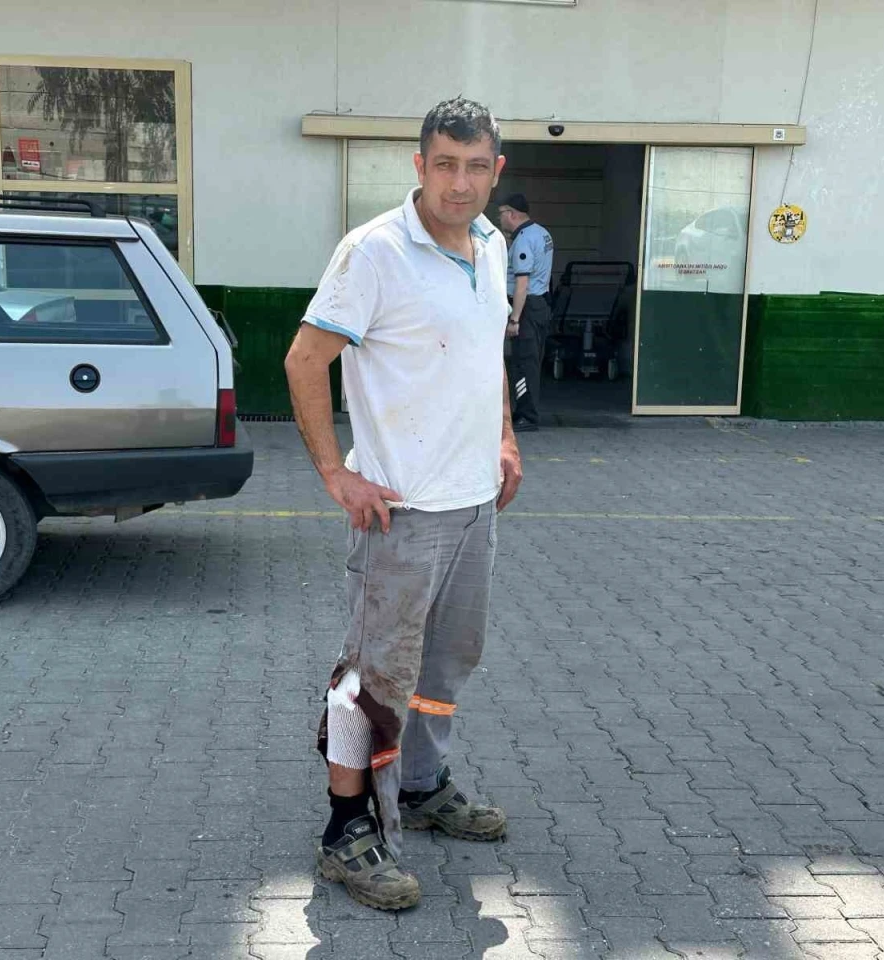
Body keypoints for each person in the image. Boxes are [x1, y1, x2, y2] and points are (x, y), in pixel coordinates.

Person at [284, 97, 523, 912]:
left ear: (496, 170)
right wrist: (335, 473)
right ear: (419, 165)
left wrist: (505, 437)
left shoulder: (491, 246)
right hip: (401, 513)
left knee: (445, 665)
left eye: (477, 166)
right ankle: (345, 830)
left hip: (474, 506)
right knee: (370, 677)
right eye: (445, 164)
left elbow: (486, 354)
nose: (460, 182)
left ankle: (421, 785)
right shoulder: (375, 251)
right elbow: (304, 359)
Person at [497, 193, 554, 432]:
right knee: (532, 361)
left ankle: (526, 416)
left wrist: (515, 319)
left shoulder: (523, 240)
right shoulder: (542, 233)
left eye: (501, 213)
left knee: (523, 363)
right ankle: (528, 412)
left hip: (526, 308)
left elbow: (522, 283)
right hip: (540, 304)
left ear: (511, 213)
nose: (499, 218)